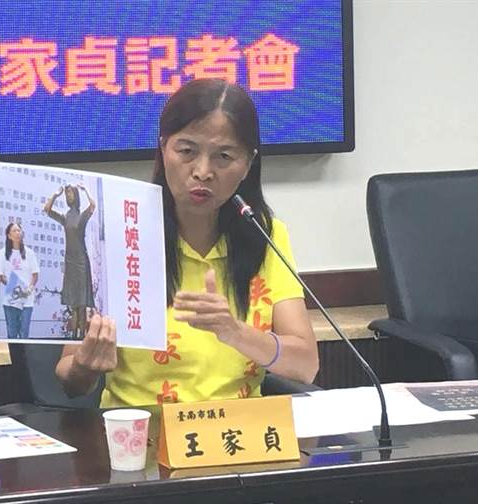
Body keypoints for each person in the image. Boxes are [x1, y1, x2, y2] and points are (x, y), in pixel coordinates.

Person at [56, 78, 319, 406]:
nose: (203, 171)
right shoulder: (121, 234)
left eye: (224, 156)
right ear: (163, 148)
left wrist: (235, 332)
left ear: (248, 164)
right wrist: (85, 366)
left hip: (239, 430)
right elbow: (70, 377)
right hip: (142, 432)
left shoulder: (266, 235)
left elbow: (305, 366)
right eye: (187, 151)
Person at [44, 183, 96, 339]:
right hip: (70, 261)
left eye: (71, 193)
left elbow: (92, 206)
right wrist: (55, 195)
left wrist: (86, 190)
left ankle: (82, 336)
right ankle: (74, 336)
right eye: (67, 193)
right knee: (73, 304)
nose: (69, 195)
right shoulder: (66, 217)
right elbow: (47, 210)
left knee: (82, 304)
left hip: (81, 261)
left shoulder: (82, 215)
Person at [0, 222, 39, 339]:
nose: (18, 233)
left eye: (19, 230)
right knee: (12, 333)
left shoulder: (29, 253)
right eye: (14, 231)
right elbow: (1, 276)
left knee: (24, 333)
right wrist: (13, 286)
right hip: (10, 300)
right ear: (9, 235)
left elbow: (35, 274)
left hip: (27, 299)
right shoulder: (2, 253)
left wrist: (28, 290)